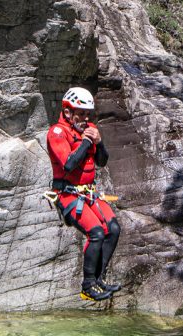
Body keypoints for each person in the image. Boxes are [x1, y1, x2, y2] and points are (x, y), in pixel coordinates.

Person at [47, 87, 121, 302]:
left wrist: (99, 142)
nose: (85, 118)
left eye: (88, 114)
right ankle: (88, 286)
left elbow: (102, 161)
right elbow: (69, 164)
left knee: (113, 229)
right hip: (67, 194)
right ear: (68, 112)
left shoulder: (89, 129)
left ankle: (98, 280)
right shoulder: (57, 132)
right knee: (96, 232)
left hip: (89, 194)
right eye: (81, 113)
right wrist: (89, 141)